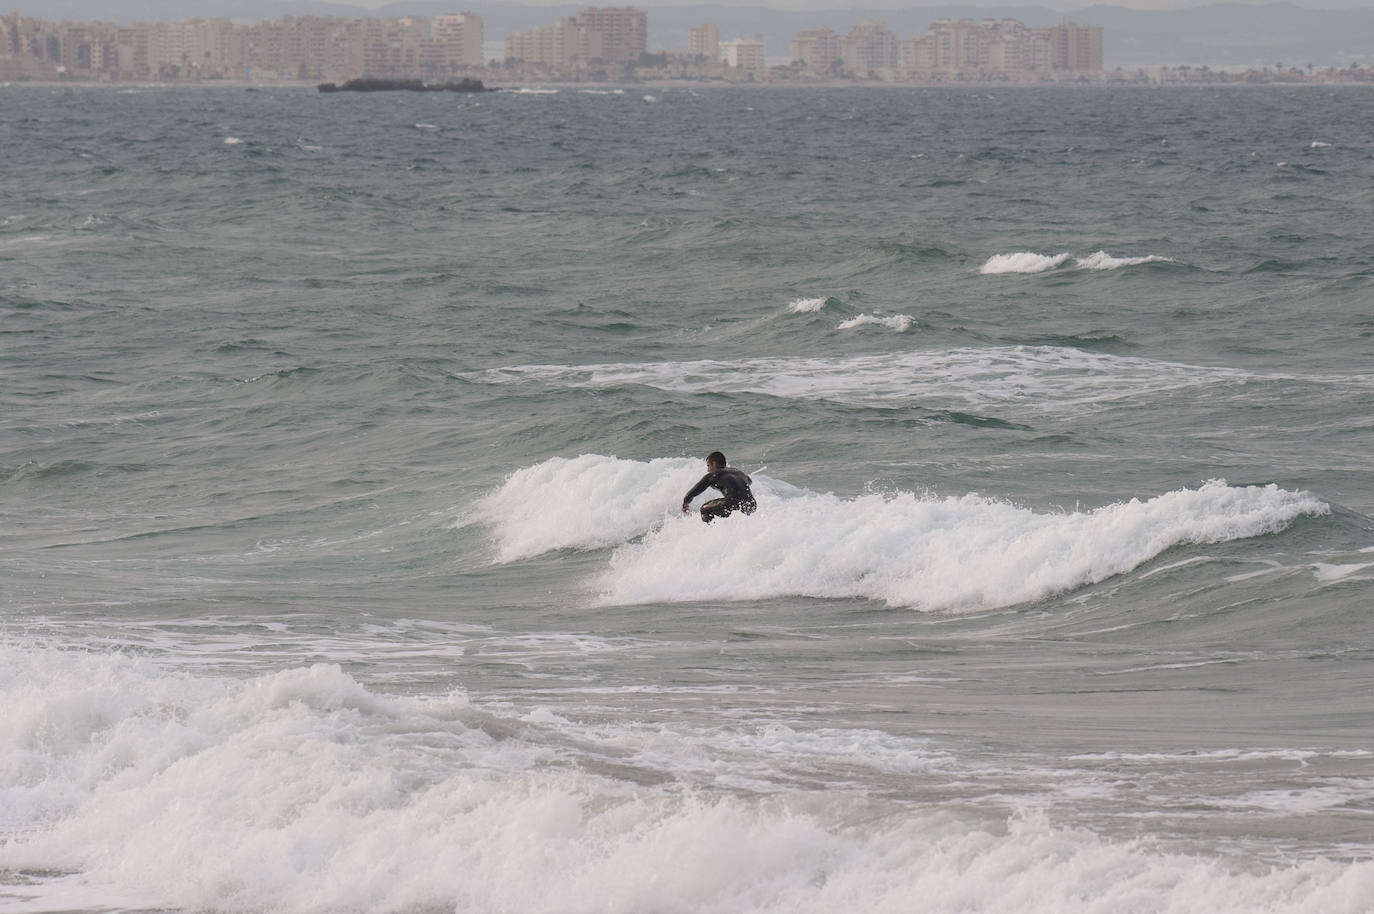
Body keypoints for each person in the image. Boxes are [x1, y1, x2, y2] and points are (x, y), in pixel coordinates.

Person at [681, 451, 756, 523]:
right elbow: (749, 481)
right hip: (751, 504)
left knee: (705, 509)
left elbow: (692, 493)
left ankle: (710, 532)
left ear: (714, 463)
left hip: (733, 504)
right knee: (731, 508)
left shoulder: (712, 475)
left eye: (708, 466)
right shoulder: (739, 472)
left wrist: (685, 505)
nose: (708, 470)